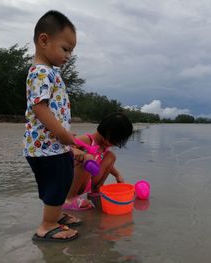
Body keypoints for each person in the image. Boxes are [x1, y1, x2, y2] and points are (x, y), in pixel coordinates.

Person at [23, 10, 83, 242]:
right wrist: (63, 134)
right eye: (65, 49)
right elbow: (40, 108)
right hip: (45, 146)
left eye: (71, 51)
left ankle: (55, 216)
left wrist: (65, 140)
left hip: (53, 145)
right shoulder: (40, 72)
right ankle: (47, 225)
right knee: (57, 184)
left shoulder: (50, 72)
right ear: (44, 40)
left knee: (63, 179)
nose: (68, 56)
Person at [63, 113, 133, 211]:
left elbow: (106, 164)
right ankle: (69, 199)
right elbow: (63, 149)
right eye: (115, 140)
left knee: (111, 156)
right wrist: (76, 151)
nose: (115, 144)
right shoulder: (86, 140)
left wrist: (117, 175)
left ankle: (96, 190)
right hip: (70, 183)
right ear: (109, 134)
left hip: (88, 182)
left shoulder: (104, 148)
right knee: (88, 159)